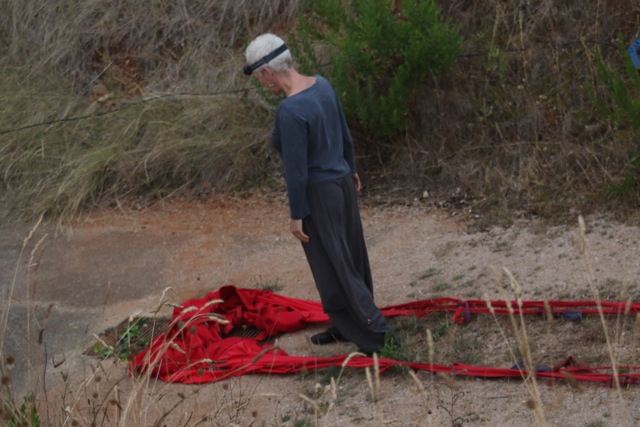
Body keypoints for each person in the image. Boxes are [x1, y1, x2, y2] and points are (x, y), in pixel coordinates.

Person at [243, 33, 397, 356]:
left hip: (320, 195)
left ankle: (380, 337)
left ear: (268, 73)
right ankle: (346, 325)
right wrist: (351, 167)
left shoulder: (290, 110)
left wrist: (297, 213)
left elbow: (296, 171)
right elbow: (344, 131)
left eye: (259, 78)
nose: (261, 84)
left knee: (336, 266)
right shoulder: (322, 85)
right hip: (342, 183)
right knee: (351, 257)